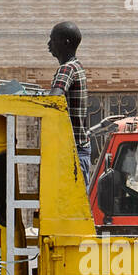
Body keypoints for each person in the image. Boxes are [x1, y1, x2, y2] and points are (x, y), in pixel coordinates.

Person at [46, 21, 91, 183]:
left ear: (65, 43)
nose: (49, 44)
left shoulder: (67, 69)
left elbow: (53, 99)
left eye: (53, 39)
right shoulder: (77, 66)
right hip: (80, 149)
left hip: (73, 151)